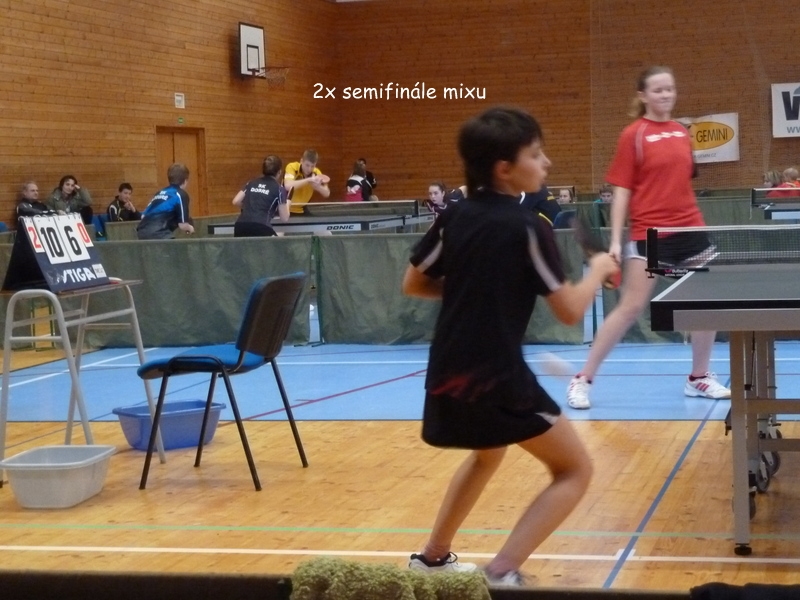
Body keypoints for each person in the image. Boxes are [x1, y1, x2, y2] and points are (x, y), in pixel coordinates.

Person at [403, 107, 619, 586]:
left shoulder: (454, 216)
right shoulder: (527, 227)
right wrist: (597, 271)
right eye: (536, 155)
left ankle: (432, 558)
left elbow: (413, 283)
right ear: (504, 168)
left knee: (488, 452)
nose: (546, 163)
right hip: (496, 376)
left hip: (447, 370)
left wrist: (476, 287)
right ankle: (502, 572)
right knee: (574, 469)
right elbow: (569, 311)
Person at [565, 66, 731, 410]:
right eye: (658, 90)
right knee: (630, 308)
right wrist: (615, 240)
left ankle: (698, 377)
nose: (666, 95)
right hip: (650, 234)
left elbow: (681, 182)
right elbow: (622, 190)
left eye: (670, 89)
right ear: (643, 96)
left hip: (691, 229)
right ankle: (582, 379)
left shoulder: (682, 132)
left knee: (707, 304)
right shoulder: (633, 135)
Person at [231, 155, 289, 237]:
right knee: (280, 241)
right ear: (279, 172)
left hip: (240, 226)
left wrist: (251, 207)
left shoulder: (251, 183)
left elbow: (236, 201)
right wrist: (288, 203)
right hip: (261, 226)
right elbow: (284, 218)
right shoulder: (279, 189)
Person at [136, 163, 194, 239]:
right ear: (185, 181)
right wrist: (190, 228)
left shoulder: (160, 193)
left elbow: (143, 216)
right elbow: (183, 225)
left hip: (141, 232)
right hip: (159, 233)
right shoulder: (180, 194)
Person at [282, 149, 330, 214]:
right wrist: (308, 180)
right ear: (301, 161)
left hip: (302, 210)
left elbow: (327, 193)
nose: (309, 169)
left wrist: (317, 187)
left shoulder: (316, 172)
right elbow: (288, 186)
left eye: (312, 166)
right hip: (285, 208)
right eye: (307, 165)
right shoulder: (292, 167)